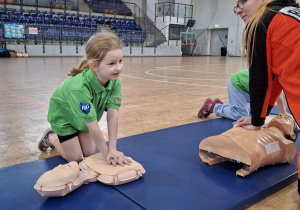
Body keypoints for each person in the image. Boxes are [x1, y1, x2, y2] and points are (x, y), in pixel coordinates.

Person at [38, 31, 131, 166]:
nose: (119, 67)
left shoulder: (115, 81)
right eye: (112, 63)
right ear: (94, 66)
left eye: (120, 61)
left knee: (88, 153)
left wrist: (112, 149)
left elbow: (112, 116)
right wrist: (107, 156)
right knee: (75, 158)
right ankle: (51, 137)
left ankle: (70, 139)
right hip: (64, 118)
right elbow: (93, 126)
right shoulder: (78, 88)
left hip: (82, 119)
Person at [231, 0, 300, 131]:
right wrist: (258, 118)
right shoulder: (289, 15)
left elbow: (260, 78)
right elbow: (274, 79)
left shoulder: (263, 21)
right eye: (237, 5)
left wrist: (256, 123)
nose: (238, 10)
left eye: (244, 1)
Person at [198, 69, 289, 121]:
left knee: (253, 113)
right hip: (237, 85)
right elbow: (279, 94)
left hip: (248, 89)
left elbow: (282, 93)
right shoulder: (275, 76)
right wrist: (283, 112)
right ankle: (214, 106)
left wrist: (284, 112)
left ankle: (225, 106)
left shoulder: (281, 76)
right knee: (241, 115)